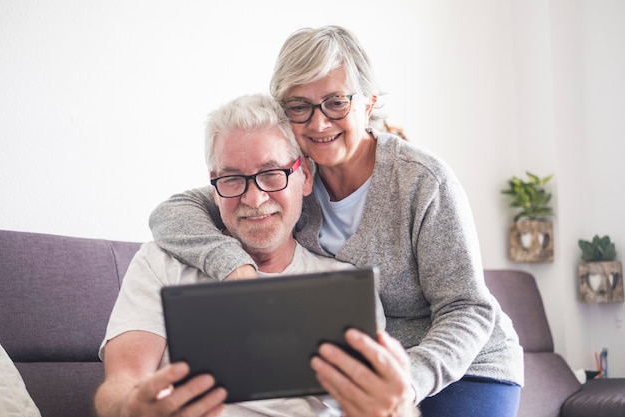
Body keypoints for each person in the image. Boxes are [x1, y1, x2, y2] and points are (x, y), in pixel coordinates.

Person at [148, 25, 524, 417]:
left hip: (464, 370)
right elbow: (171, 214)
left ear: (368, 103)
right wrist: (236, 269)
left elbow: (468, 308)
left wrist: (405, 383)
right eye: (299, 106)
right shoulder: (289, 179)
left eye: (335, 103)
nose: (318, 123)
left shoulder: (422, 181)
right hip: (357, 376)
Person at [95, 94, 418, 417]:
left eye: (272, 173)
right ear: (214, 186)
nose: (254, 198)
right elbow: (121, 383)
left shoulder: (345, 286)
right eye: (233, 179)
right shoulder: (160, 261)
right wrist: (131, 409)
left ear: (304, 176)